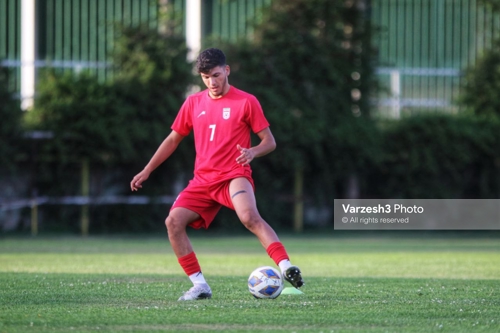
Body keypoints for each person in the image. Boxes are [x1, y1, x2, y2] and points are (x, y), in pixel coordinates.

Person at [130, 48, 304, 301]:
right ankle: (199, 285)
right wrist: (147, 170)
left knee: (248, 217)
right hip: (202, 180)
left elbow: (269, 141)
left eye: (215, 75)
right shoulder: (193, 103)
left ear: (227, 71)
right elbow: (172, 140)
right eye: (205, 77)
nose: (212, 82)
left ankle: (286, 267)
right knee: (173, 222)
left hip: (234, 174)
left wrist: (253, 152)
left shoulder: (246, 101)